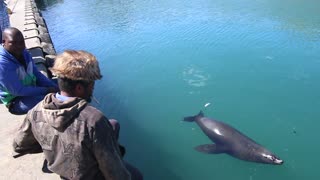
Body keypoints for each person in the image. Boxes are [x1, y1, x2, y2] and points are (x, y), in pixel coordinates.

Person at [13, 50, 143, 180]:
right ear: (79, 88)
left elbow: (19, 145)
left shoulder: (36, 110)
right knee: (136, 175)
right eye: (92, 85)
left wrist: (54, 148)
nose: (93, 89)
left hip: (61, 169)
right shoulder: (93, 120)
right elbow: (116, 175)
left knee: (113, 125)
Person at [0, 27, 58, 115]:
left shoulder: (24, 53)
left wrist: (53, 86)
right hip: (17, 100)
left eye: (21, 42)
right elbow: (18, 90)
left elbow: (37, 74)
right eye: (14, 43)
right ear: (4, 42)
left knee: (66, 84)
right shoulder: (2, 63)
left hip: (32, 86)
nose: (19, 46)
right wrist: (46, 90)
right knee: (51, 99)